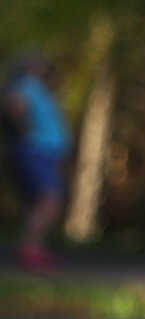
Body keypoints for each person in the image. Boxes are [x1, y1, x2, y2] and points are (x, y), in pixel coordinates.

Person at [6, 49, 67, 270]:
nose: (45, 66)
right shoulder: (26, 84)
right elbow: (15, 106)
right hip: (36, 150)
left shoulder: (38, 86)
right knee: (49, 199)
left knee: (37, 203)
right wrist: (26, 130)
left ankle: (35, 248)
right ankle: (29, 249)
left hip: (43, 151)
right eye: (39, 62)